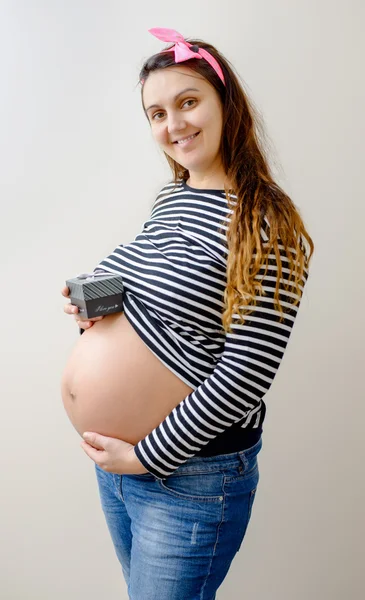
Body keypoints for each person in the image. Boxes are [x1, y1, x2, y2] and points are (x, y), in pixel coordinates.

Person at [62, 27, 314, 600]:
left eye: (188, 102)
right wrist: (92, 300)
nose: (173, 125)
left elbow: (247, 374)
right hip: (119, 469)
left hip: (187, 478)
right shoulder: (173, 197)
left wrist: (144, 456)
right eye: (156, 113)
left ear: (226, 104)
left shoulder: (264, 223)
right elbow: (144, 285)